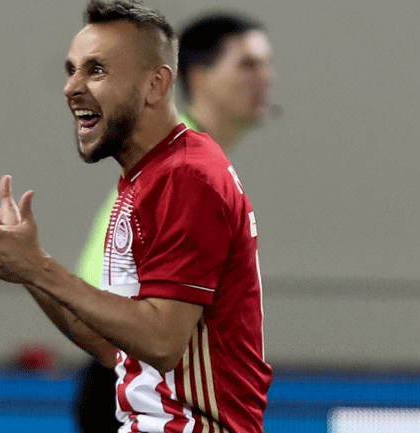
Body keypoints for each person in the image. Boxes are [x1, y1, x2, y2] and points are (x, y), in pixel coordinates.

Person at [0, 1, 272, 431]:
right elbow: (116, 348)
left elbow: (162, 341)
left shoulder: (186, 176)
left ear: (155, 85)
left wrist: (39, 267)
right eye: (71, 70)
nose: (71, 87)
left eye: (96, 70)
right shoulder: (147, 179)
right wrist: (28, 268)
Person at [73, 10, 274, 432]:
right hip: (140, 394)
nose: (265, 78)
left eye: (266, 64)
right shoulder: (179, 173)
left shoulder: (191, 164)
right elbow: (103, 302)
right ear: (197, 77)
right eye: (247, 65)